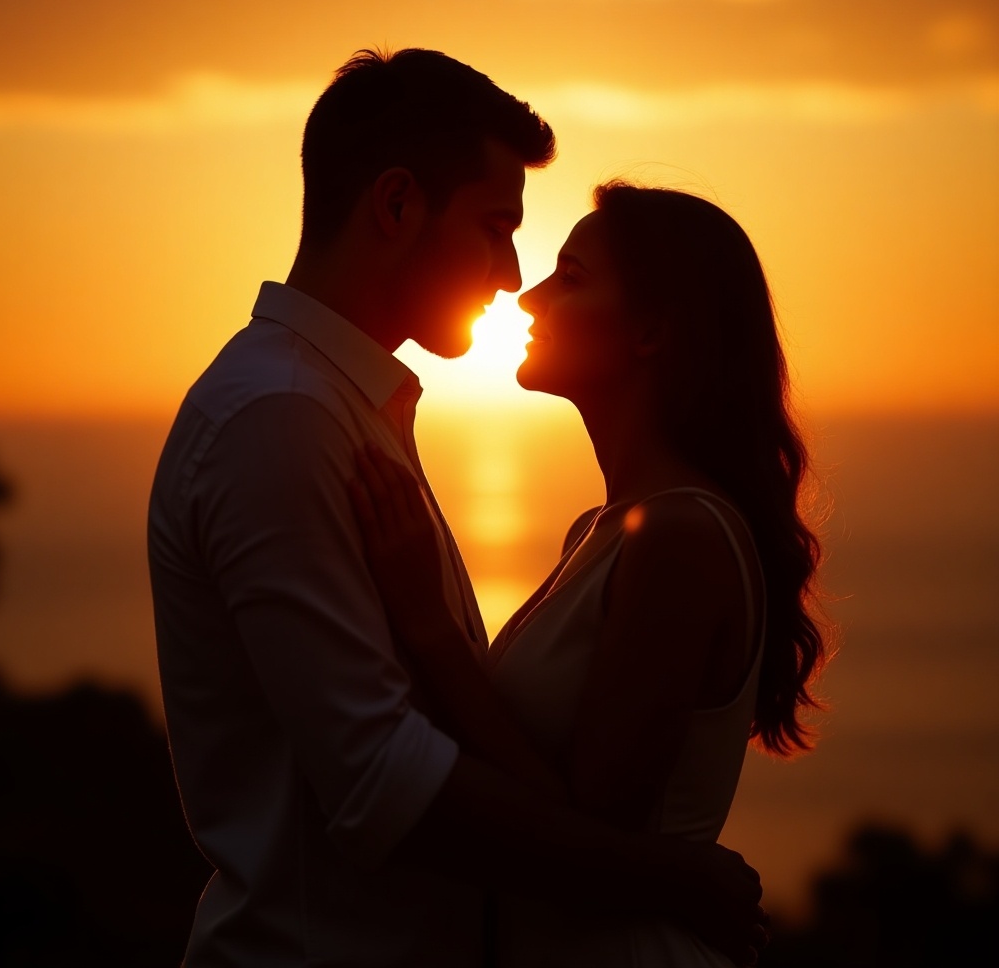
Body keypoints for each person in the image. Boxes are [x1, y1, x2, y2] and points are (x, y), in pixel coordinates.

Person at [148, 48, 766, 967]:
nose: (513, 275)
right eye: (495, 226)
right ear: (397, 205)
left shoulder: (345, 411)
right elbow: (380, 778)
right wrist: (672, 877)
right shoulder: (283, 417)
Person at [351, 183, 829, 965]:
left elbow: (594, 828)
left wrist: (430, 628)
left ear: (648, 332)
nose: (528, 298)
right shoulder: (606, 529)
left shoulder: (681, 535)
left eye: (570, 278)